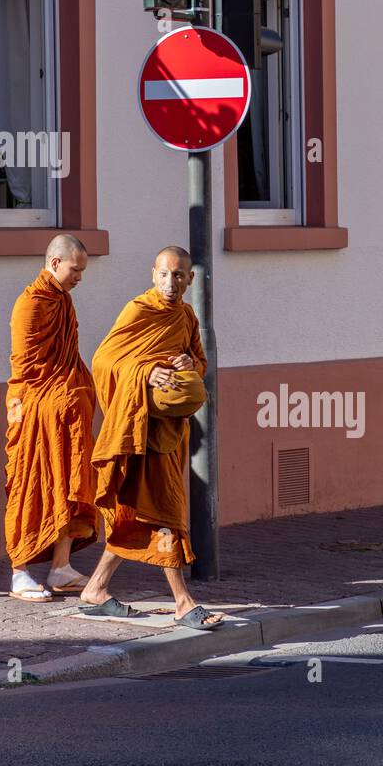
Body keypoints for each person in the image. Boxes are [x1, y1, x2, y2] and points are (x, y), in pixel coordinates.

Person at [79, 246, 224, 630]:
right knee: (165, 512)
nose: (170, 283)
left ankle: (95, 589)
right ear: (152, 273)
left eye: (179, 276)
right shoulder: (138, 311)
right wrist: (144, 373)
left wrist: (190, 364)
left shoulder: (186, 316)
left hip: (166, 430)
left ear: (190, 279)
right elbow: (104, 361)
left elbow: (197, 361)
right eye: (164, 274)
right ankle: (183, 601)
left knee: (139, 512)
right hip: (137, 429)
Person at [5, 234, 99, 601]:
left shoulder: (63, 301)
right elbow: (27, 369)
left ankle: (60, 568)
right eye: (76, 270)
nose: (80, 277)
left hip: (63, 409)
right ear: (55, 263)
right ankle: (19, 571)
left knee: (67, 482)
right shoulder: (31, 303)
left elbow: (68, 357)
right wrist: (62, 395)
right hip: (32, 407)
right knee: (28, 485)